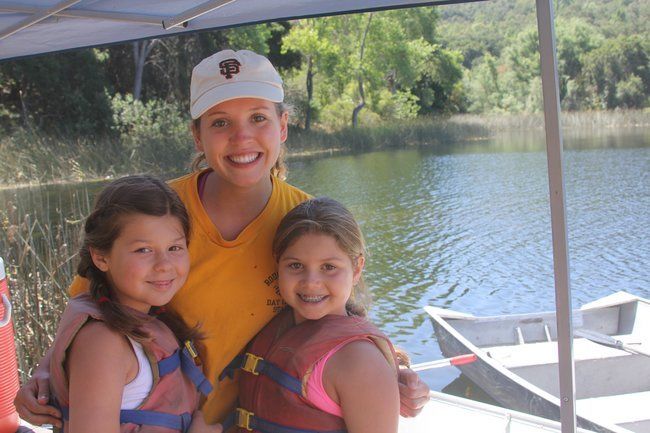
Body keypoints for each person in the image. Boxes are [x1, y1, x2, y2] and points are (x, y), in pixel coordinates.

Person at [14, 49, 429, 428]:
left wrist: (391, 367)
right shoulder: (156, 213)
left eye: (259, 118)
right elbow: (90, 306)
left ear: (283, 126)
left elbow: (340, 310)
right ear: (197, 136)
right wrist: (47, 372)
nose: (242, 137)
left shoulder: (305, 221)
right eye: (220, 123)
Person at [45, 175, 217, 433]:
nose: (164, 265)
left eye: (174, 248)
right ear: (101, 257)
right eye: (143, 250)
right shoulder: (103, 345)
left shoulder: (151, 318)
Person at [222, 197, 401, 433]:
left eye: (329, 267)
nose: (311, 283)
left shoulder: (360, 363)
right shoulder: (272, 323)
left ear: (357, 269)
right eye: (296, 266)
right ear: (278, 265)